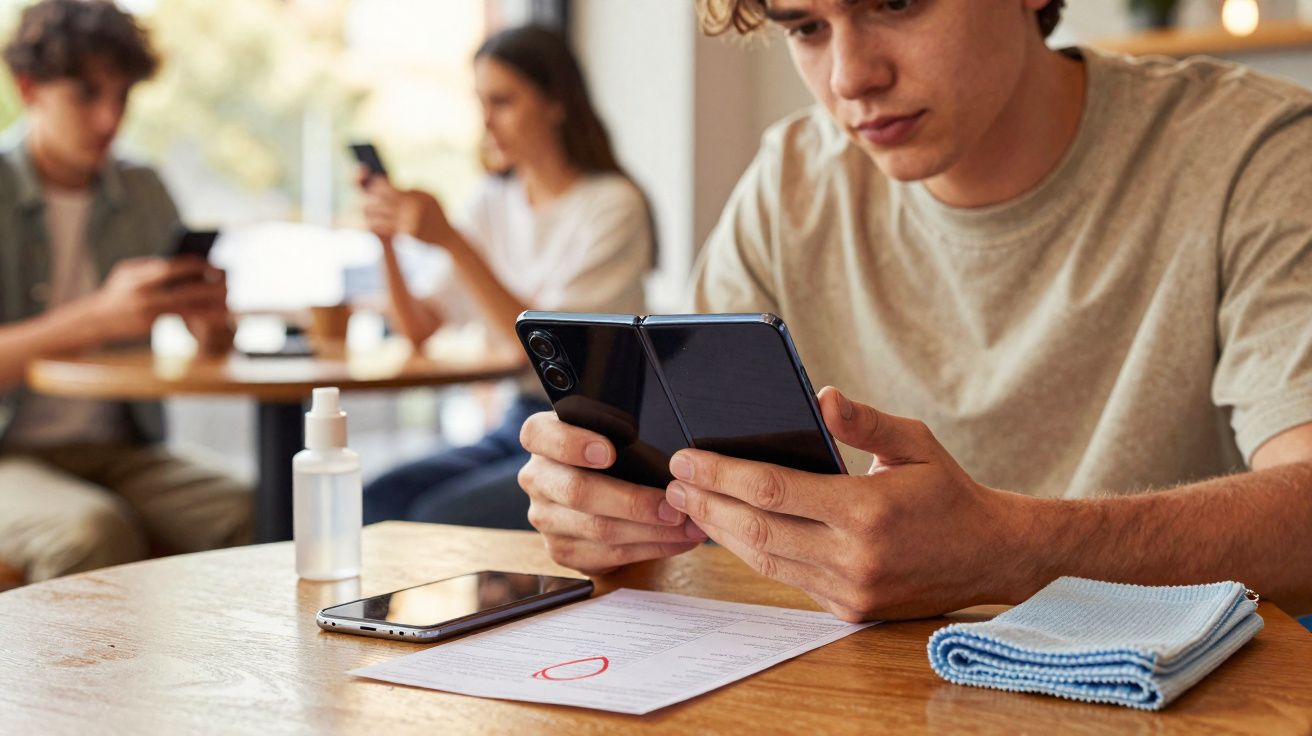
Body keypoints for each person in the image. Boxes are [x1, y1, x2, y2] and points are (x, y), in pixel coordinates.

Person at [515, 0, 1312, 621]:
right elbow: (682, 466)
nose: (851, 78)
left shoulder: (1252, 152)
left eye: (896, 4)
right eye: (805, 27)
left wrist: (1008, 551)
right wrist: (610, 509)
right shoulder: (789, 180)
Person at [358, 25, 655, 529]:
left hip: (595, 435)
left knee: (435, 516)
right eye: (481, 103)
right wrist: (385, 239)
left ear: (556, 103)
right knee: (377, 499)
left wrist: (452, 240)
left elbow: (540, 352)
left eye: (503, 102)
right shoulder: (492, 201)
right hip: (520, 422)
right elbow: (420, 327)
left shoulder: (613, 206)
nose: (486, 122)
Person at [0, 0, 251, 583]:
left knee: (257, 506)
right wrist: (99, 317)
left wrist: (212, 323)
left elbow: (214, 349)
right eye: (86, 94)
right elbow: (106, 319)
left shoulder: (142, 188)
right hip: (10, 455)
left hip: (122, 449)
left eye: (122, 96)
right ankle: (85, 681)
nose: (109, 119)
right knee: (93, 531)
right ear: (28, 87)